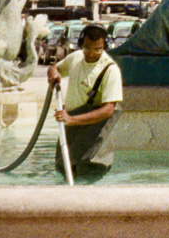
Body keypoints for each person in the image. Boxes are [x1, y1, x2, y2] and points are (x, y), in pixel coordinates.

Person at [48, 23, 123, 179]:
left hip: (92, 134)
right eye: (88, 48)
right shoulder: (76, 57)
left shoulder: (110, 70)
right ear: (81, 44)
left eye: (97, 49)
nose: (92, 53)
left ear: (104, 46)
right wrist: (53, 73)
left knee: (89, 176)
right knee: (64, 171)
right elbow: (55, 67)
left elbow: (109, 110)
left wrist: (71, 119)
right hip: (70, 129)